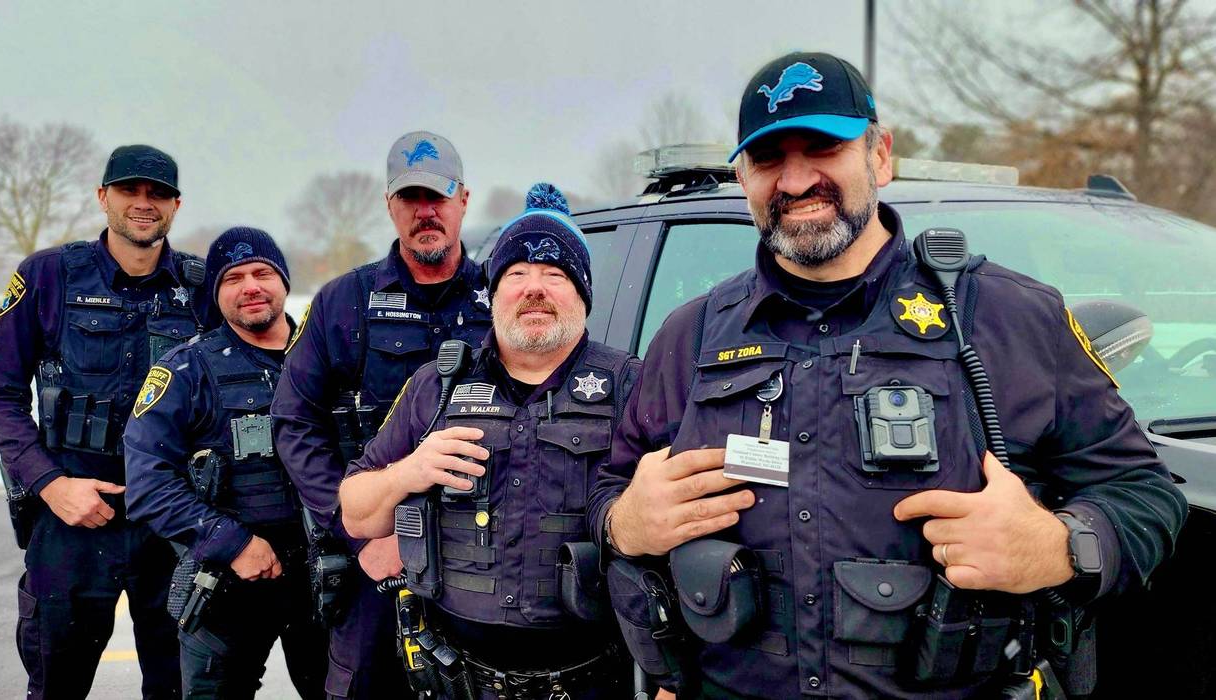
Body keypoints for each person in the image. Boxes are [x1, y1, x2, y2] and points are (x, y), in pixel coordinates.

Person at [589, 52, 1188, 699]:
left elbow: (1143, 493)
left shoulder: (1006, 318)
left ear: (879, 156)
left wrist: (1058, 546)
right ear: (743, 178)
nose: (794, 180)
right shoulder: (691, 335)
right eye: (767, 159)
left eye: (822, 146)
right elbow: (609, 487)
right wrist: (622, 522)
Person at [340, 183, 638, 699]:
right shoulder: (435, 386)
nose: (534, 288)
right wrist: (410, 471)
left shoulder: (631, 386)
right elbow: (357, 514)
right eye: (516, 274)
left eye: (556, 275)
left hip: (595, 676)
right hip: (456, 677)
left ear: (583, 294)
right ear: (494, 294)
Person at [0, 144, 207, 699]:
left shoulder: (202, 290)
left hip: (171, 518)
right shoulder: (47, 277)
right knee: (58, 681)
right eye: (130, 190)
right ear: (103, 196)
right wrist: (50, 486)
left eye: (158, 194)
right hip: (71, 516)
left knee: (180, 685)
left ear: (177, 205)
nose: (144, 203)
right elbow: (0, 394)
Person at [272, 131, 493, 697]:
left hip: (485, 556)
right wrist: (354, 533)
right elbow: (294, 422)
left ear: (463, 199)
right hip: (375, 560)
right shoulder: (343, 302)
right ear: (390, 205)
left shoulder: (502, 296)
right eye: (410, 199)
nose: (426, 213)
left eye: (438, 197)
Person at [123, 227, 327, 698]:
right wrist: (231, 543)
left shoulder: (327, 359)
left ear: (284, 281)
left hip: (323, 577)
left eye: (262, 272)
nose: (250, 286)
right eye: (233, 278)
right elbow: (148, 483)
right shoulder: (184, 369)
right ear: (216, 293)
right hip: (227, 582)